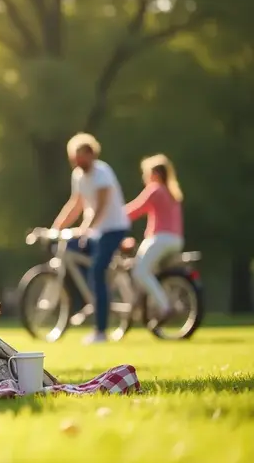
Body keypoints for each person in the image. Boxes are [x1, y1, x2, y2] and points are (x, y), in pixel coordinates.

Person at [50, 132, 131, 344]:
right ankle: (92, 298)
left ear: (91, 154)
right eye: (74, 156)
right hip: (95, 230)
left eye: (81, 156)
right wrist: (56, 226)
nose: (77, 160)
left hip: (113, 228)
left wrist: (86, 227)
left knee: (97, 270)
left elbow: (102, 206)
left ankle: (101, 331)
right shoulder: (78, 175)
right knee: (70, 250)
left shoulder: (102, 172)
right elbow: (76, 204)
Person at [124, 154, 185, 323]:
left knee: (140, 271)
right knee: (151, 272)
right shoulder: (173, 192)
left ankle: (164, 306)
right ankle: (157, 301)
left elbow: (136, 209)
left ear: (155, 175)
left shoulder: (155, 189)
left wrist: (114, 217)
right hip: (176, 240)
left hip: (160, 238)